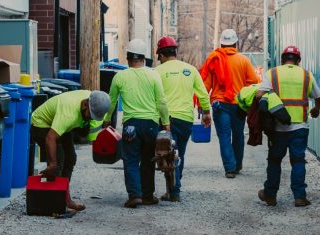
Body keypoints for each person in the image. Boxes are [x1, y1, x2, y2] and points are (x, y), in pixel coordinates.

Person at [104, 38, 170, 208]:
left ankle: (134, 195)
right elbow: (161, 101)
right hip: (150, 124)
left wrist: (106, 121)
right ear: (144, 57)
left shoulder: (120, 76)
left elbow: (111, 101)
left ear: (128, 58)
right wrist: (166, 122)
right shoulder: (153, 74)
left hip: (131, 125)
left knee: (131, 160)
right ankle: (148, 195)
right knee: (148, 159)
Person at [256, 45, 320, 207]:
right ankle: (299, 197)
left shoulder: (273, 73)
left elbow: (259, 95)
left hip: (277, 128)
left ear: (282, 59)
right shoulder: (306, 75)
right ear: (298, 60)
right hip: (300, 127)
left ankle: (270, 195)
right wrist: (315, 110)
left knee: (274, 160)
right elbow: (319, 97)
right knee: (298, 160)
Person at [31, 90, 111, 211]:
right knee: (58, 160)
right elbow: (50, 137)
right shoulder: (68, 114)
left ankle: (64, 199)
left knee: (71, 158)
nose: (91, 119)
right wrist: (52, 164)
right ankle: (54, 204)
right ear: (85, 105)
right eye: (90, 115)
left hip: (61, 124)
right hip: (41, 124)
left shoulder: (94, 100)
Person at [155, 36, 212, 202]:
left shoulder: (157, 72)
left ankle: (174, 190)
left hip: (165, 120)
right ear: (175, 52)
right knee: (179, 153)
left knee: (167, 155)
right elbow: (202, 93)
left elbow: (154, 97)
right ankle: (173, 189)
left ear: (161, 55)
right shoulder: (190, 70)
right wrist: (206, 113)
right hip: (186, 119)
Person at [200, 29, 259, 178]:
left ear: (221, 43)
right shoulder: (243, 60)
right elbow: (254, 82)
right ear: (235, 43)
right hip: (238, 104)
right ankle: (237, 164)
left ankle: (229, 168)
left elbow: (205, 85)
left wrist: (202, 106)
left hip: (219, 104)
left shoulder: (214, 59)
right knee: (238, 135)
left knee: (224, 136)